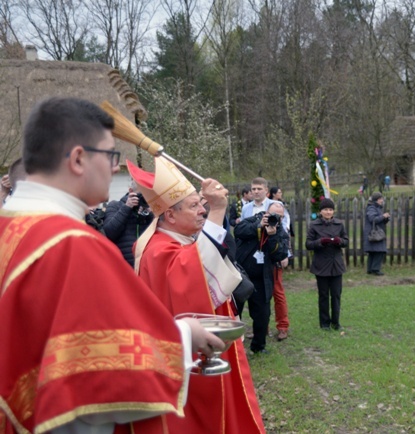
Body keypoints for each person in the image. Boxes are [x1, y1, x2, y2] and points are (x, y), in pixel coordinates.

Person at [0, 97, 224, 434]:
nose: (116, 168)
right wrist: (185, 335)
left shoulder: (10, 226)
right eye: (110, 155)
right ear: (78, 158)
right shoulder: (72, 245)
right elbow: (96, 369)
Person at [130, 157, 266, 434]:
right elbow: (194, 279)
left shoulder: (174, 240)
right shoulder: (158, 249)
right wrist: (217, 210)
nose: (202, 210)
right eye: (194, 206)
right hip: (188, 360)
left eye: (202, 204)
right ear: (170, 215)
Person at [235, 202, 289, 353]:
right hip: (241, 275)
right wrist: (259, 226)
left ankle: (259, 346)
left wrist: (272, 236)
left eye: (280, 217)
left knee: (262, 314)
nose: (276, 219)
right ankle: (232, 345)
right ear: (266, 212)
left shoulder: (279, 231)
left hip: (262, 278)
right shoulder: (253, 220)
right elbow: (238, 231)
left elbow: (280, 254)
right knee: (234, 312)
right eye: (273, 215)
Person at [241, 178, 291, 341]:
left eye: (259, 189)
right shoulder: (247, 207)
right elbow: (241, 230)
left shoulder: (276, 205)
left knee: (277, 292)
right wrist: (258, 225)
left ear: (266, 190)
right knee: (254, 294)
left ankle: (282, 326)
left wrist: (286, 254)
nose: (256, 191)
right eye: (253, 189)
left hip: (272, 258)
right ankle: (262, 327)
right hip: (252, 259)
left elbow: (285, 229)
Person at [306, 198, 349, 330]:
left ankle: (336, 322)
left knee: (336, 295)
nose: (328, 212)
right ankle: (324, 323)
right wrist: (320, 242)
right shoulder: (314, 225)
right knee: (323, 295)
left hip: (336, 264)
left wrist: (339, 241)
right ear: (320, 211)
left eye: (330, 209)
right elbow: (308, 244)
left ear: (333, 211)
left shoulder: (339, 224)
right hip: (321, 265)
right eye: (325, 209)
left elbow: (346, 241)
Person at [103, 181, 154, 267]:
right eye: (142, 195)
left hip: (146, 267)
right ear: (131, 191)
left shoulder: (151, 210)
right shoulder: (115, 206)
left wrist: (152, 214)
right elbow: (109, 233)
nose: (144, 199)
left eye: (148, 195)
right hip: (123, 266)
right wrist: (127, 207)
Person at [363, 192, 390, 276]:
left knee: (373, 252)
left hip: (374, 232)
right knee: (379, 251)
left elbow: (379, 220)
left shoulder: (376, 207)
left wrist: (386, 218)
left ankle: (370, 269)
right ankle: (375, 269)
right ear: (377, 199)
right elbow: (373, 219)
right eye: (380, 199)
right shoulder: (371, 208)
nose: (382, 200)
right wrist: (383, 216)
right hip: (374, 233)